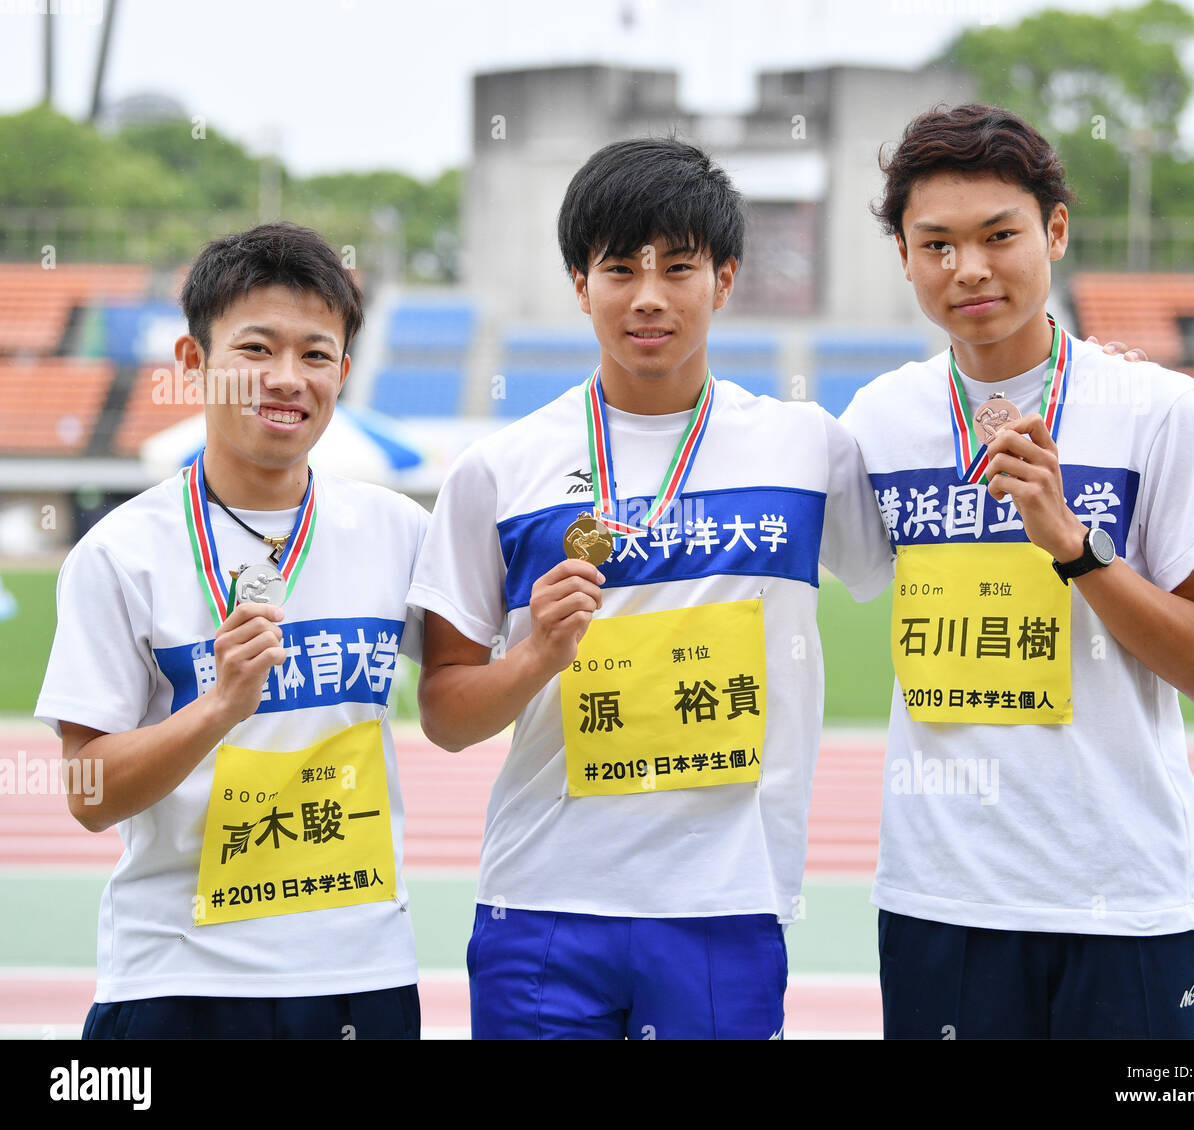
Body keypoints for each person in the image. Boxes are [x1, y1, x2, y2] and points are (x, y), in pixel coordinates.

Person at [408, 137, 892, 1039]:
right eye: (619, 267)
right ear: (579, 284)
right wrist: (537, 659)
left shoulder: (807, 446)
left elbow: (910, 551)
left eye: (679, 266)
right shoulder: (498, 472)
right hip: (542, 903)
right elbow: (444, 712)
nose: (648, 296)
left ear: (726, 279)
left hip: (727, 902)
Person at [840, 104, 1194, 1039]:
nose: (969, 269)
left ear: (1055, 231)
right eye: (935, 243)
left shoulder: (1158, 410)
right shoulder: (879, 420)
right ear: (904, 257)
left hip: (1130, 901)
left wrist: (1075, 547)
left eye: (999, 236)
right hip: (943, 903)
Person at [36, 222, 427, 1039]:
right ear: (192, 366)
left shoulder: (398, 531)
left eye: (315, 355)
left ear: (343, 374)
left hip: (360, 973)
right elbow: (87, 795)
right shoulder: (119, 553)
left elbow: (464, 705)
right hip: (178, 976)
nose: (287, 378)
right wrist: (216, 707)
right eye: (256, 348)